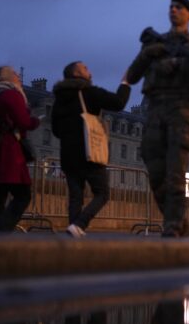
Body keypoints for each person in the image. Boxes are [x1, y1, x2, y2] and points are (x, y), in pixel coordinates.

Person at [126, 0, 189, 237]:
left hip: (182, 111)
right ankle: (179, 222)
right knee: (156, 173)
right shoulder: (155, 44)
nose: (174, 10)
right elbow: (133, 75)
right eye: (171, 7)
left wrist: (179, 64)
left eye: (179, 7)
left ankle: (172, 227)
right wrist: (149, 54)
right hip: (155, 110)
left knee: (176, 171)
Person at [51, 62, 130, 238]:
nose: (90, 72)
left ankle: (74, 230)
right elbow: (118, 103)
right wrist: (125, 83)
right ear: (76, 73)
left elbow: (55, 130)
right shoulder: (88, 92)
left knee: (75, 196)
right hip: (89, 151)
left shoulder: (59, 99)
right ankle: (80, 224)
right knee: (102, 193)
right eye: (86, 68)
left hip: (68, 155)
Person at [0, 66, 40, 232]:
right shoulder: (10, 94)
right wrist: (35, 121)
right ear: (5, 77)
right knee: (23, 196)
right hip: (8, 153)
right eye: (14, 73)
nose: (18, 75)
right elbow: (24, 122)